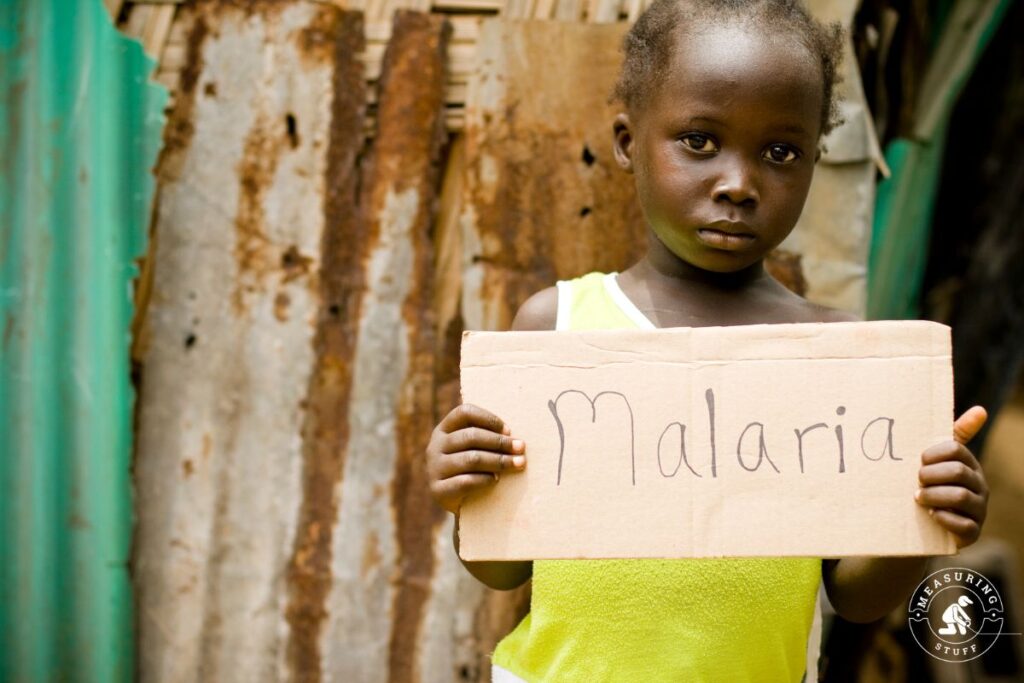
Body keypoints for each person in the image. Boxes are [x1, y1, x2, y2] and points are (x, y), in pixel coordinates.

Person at [425, 0, 990, 679]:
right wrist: (467, 485)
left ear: (814, 158)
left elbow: (854, 595)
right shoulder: (559, 328)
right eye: (699, 140)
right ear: (629, 141)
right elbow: (501, 566)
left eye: (780, 152)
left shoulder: (835, 357)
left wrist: (922, 519)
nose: (738, 184)